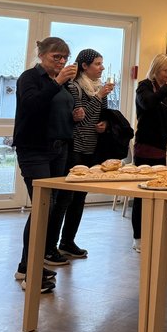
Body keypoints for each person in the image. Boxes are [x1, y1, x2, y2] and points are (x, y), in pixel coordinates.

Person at [12, 37, 84, 292]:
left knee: (49, 208)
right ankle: (31, 272)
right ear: (41, 55)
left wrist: (74, 116)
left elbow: (53, 113)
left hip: (59, 149)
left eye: (65, 57)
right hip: (35, 149)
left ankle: (26, 266)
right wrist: (57, 82)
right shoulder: (30, 78)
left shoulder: (63, 84)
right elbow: (31, 106)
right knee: (44, 206)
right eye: (56, 57)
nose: (62, 62)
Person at [52, 49, 115, 259]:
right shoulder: (74, 86)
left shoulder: (97, 87)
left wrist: (105, 124)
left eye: (102, 63)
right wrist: (100, 96)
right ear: (84, 66)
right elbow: (82, 118)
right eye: (97, 64)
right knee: (65, 198)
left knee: (80, 199)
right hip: (75, 147)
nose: (102, 68)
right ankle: (51, 245)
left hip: (92, 147)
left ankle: (68, 241)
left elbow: (100, 116)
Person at [131, 53, 167, 251]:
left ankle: (158, 235)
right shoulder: (144, 86)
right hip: (147, 148)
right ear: (156, 70)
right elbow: (148, 103)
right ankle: (139, 238)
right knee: (143, 196)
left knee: (165, 194)